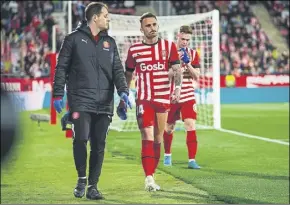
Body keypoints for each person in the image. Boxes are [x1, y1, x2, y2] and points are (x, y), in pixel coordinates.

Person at [52, 2, 130, 200]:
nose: (108, 18)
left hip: (104, 102)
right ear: (95, 17)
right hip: (80, 101)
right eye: (105, 15)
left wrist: (123, 92)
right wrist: (58, 93)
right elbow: (61, 68)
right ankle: (81, 178)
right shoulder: (73, 40)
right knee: (81, 138)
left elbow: (118, 71)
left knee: (99, 144)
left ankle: (93, 186)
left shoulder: (110, 43)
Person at [120, 12, 183, 192]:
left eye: (154, 25)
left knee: (157, 139)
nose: (152, 28)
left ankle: (151, 175)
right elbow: (128, 74)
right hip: (144, 99)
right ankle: (148, 178)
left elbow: (177, 70)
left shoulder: (168, 46)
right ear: (141, 29)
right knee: (147, 136)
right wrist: (124, 96)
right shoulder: (134, 50)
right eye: (148, 25)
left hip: (163, 99)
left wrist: (177, 89)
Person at [163, 25, 201, 169]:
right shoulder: (168, 52)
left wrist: (188, 64)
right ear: (178, 36)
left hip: (188, 95)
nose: (185, 42)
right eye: (183, 38)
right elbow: (165, 75)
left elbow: (197, 76)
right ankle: (167, 156)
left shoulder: (193, 53)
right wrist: (177, 64)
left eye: (188, 40)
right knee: (169, 128)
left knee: (190, 124)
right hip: (171, 95)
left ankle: (192, 160)